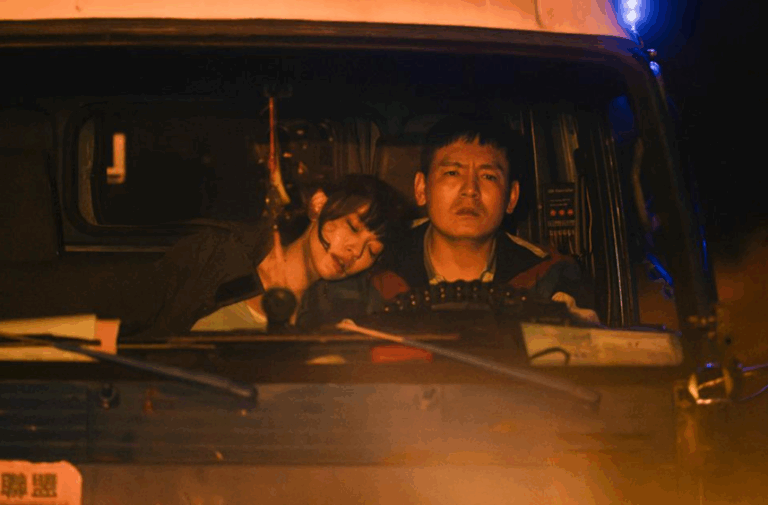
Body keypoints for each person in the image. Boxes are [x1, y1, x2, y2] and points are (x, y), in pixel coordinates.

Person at [368, 115, 599, 323]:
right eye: (452, 173)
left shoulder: (548, 277)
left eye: (488, 176)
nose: (470, 190)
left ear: (512, 197)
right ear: (421, 188)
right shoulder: (374, 263)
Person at [119, 174, 409, 339]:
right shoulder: (217, 252)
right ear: (319, 205)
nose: (355, 251)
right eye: (353, 227)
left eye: (372, 250)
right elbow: (124, 324)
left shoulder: (343, 311)